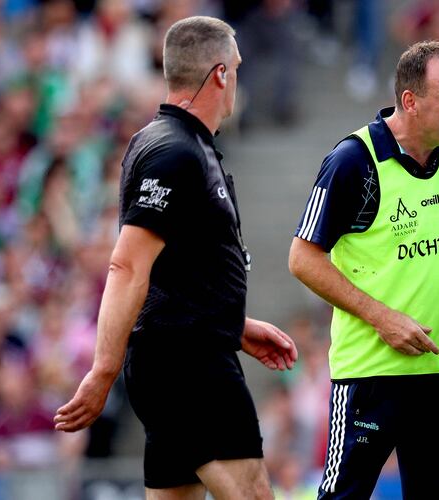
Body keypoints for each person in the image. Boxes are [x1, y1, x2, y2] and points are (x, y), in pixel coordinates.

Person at [53, 16, 298, 500]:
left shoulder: (176, 144)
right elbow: (127, 265)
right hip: (189, 366)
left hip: (182, 354)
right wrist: (104, 370)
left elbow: (177, 267)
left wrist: (233, 323)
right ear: (221, 75)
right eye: (237, 68)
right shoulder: (174, 151)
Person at [288, 41, 439, 499]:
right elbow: (302, 258)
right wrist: (383, 317)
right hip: (372, 377)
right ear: (410, 101)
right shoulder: (353, 161)